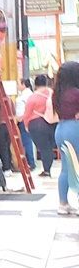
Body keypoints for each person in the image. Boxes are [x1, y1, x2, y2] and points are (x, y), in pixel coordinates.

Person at [55, 62, 79, 215]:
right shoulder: (76, 93)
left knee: (65, 168)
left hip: (61, 129)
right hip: (75, 128)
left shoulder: (57, 93)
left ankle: (63, 204)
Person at [23, 75, 56, 177]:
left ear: (35, 84)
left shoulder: (33, 97)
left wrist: (26, 125)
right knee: (49, 147)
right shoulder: (53, 94)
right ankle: (47, 168)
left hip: (37, 124)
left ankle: (46, 170)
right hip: (52, 122)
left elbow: (27, 113)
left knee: (44, 147)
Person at [15, 78, 37, 170]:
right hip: (22, 120)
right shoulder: (24, 94)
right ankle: (29, 162)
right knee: (26, 141)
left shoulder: (27, 95)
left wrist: (22, 117)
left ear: (23, 84)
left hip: (24, 120)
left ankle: (31, 163)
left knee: (26, 141)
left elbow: (29, 109)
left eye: (18, 84)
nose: (17, 86)